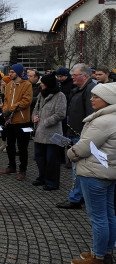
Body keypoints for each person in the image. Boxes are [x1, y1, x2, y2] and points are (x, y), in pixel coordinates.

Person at [67, 83, 116, 264]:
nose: (91, 99)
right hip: (108, 171)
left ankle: (98, 257)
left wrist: (71, 153)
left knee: (98, 217)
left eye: (96, 96)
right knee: (109, 214)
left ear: (108, 100)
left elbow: (84, 147)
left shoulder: (103, 121)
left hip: (94, 173)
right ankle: (106, 252)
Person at [57, 64, 96, 209]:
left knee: (77, 169)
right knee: (78, 168)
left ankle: (74, 198)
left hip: (81, 135)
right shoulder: (80, 89)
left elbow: (90, 116)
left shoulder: (90, 89)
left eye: (75, 74)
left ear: (85, 76)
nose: (72, 76)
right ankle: (79, 196)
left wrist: (85, 136)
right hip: (75, 133)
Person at [32, 72, 67, 191]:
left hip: (53, 133)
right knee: (39, 157)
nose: (41, 84)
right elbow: (36, 109)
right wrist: (35, 118)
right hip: (40, 132)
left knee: (52, 160)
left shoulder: (60, 95)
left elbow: (61, 114)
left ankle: (52, 182)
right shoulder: (41, 95)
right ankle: (42, 177)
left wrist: (46, 121)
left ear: (48, 84)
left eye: (43, 82)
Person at [0, 63, 33, 180]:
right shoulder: (9, 85)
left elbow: (26, 101)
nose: (10, 73)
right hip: (10, 121)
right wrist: (5, 110)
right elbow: (6, 99)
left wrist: (11, 109)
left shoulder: (27, 85)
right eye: (10, 71)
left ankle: (22, 169)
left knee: (22, 147)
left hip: (22, 120)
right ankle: (11, 166)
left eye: (12, 72)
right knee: (10, 145)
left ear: (18, 73)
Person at [0, 75, 11, 152]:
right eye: (1, 81)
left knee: (7, 128)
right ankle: (3, 143)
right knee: (2, 128)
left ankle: (8, 145)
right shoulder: (0, 90)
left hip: (7, 112)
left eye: (3, 82)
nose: (2, 83)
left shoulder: (10, 90)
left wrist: (4, 105)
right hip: (0, 111)